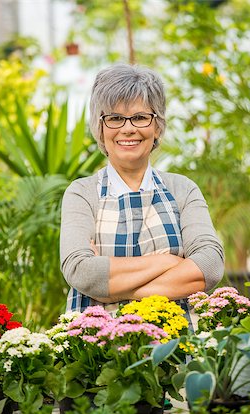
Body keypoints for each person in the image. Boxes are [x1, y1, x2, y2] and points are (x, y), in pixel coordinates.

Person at [60, 63, 224, 314]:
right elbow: (80, 271)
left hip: (176, 347)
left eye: (140, 117)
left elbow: (210, 266)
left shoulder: (183, 189)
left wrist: (109, 289)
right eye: (114, 118)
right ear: (100, 127)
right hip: (97, 348)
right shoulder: (82, 193)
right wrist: (168, 262)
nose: (128, 128)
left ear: (157, 125)